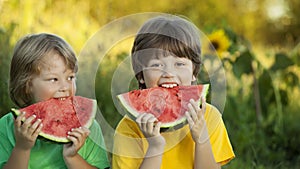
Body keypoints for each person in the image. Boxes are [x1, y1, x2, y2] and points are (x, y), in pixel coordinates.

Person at [112, 15, 235, 169]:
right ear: (141, 74)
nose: (168, 73)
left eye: (179, 63)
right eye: (156, 64)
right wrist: (155, 146)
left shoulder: (209, 117)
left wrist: (202, 139)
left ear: (194, 72)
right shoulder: (128, 128)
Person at [0, 33, 110, 169]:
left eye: (70, 77)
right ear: (27, 85)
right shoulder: (6, 127)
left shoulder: (88, 129)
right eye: (53, 79)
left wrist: (73, 157)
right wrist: (22, 148)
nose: (65, 87)